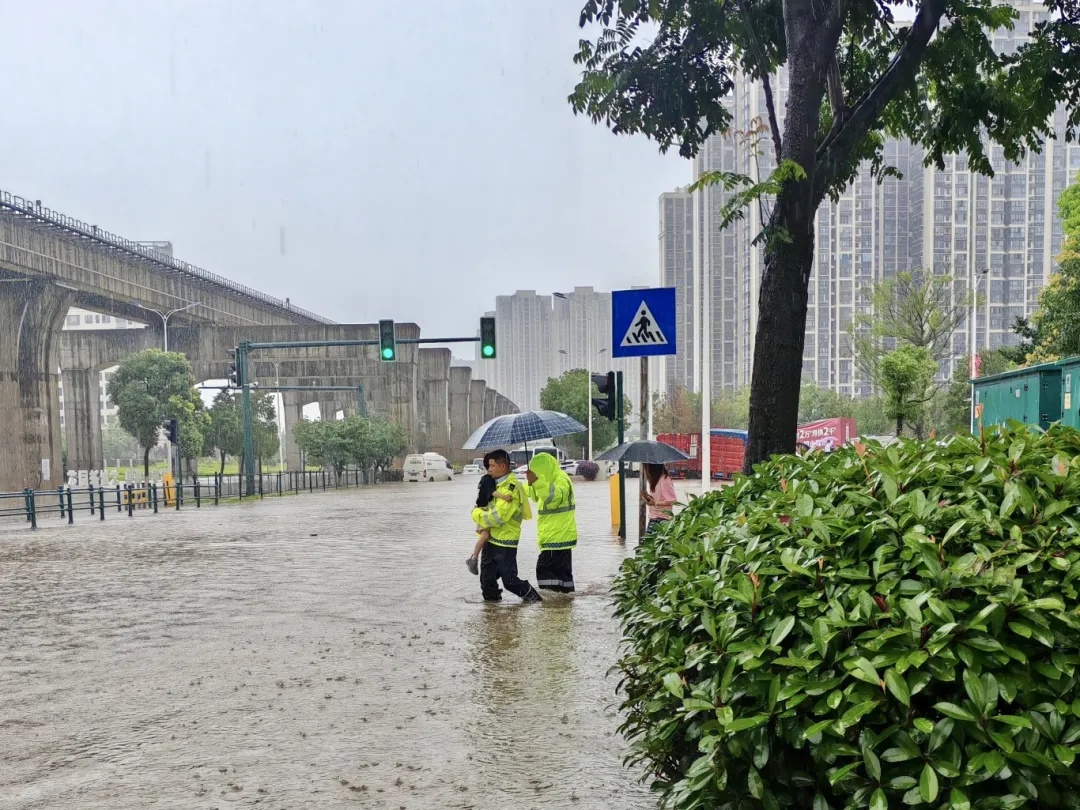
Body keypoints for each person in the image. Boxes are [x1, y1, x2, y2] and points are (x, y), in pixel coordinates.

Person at [471, 449, 543, 603]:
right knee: (486, 582)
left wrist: (475, 514)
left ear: (502, 466)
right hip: (490, 541)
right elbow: (485, 505)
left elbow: (498, 517)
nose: (489, 469)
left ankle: (537, 602)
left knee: (510, 581)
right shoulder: (493, 483)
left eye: (492, 465)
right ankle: (493, 618)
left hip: (506, 542)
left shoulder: (511, 487)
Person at [524, 451, 577, 593]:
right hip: (555, 536)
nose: (539, 475)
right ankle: (564, 604)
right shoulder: (548, 480)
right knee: (562, 576)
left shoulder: (561, 480)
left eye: (540, 472)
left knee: (544, 571)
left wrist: (536, 481)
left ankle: (551, 605)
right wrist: (530, 484)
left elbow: (553, 498)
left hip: (558, 536)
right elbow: (534, 496)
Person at [465, 473, 514, 575]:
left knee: (487, 538)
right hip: (483, 510)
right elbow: (492, 492)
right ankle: (473, 559)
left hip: (484, 510)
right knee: (485, 535)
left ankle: (477, 559)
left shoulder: (485, 479)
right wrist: (504, 497)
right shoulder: (488, 478)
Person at [642, 463, 678, 533]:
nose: (646, 471)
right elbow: (658, 498)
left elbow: (673, 500)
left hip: (661, 520)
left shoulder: (664, 480)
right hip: (654, 517)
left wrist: (655, 503)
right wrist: (648, 497)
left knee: (648, 543)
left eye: (646, 468)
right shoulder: (656, 481)